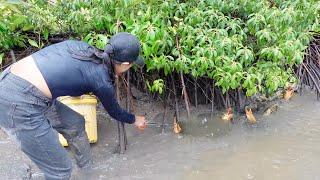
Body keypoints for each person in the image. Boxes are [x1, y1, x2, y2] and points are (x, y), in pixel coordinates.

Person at [0, 32, 147, 179]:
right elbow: (115, 112)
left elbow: (63, 70)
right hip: (18, 101)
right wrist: (135, 119)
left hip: (13, 79)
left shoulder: (85, 49)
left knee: (74, 123)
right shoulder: (101, 80)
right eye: (131, 65)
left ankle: (87, 173)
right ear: (126, 64)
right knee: (60, 171)